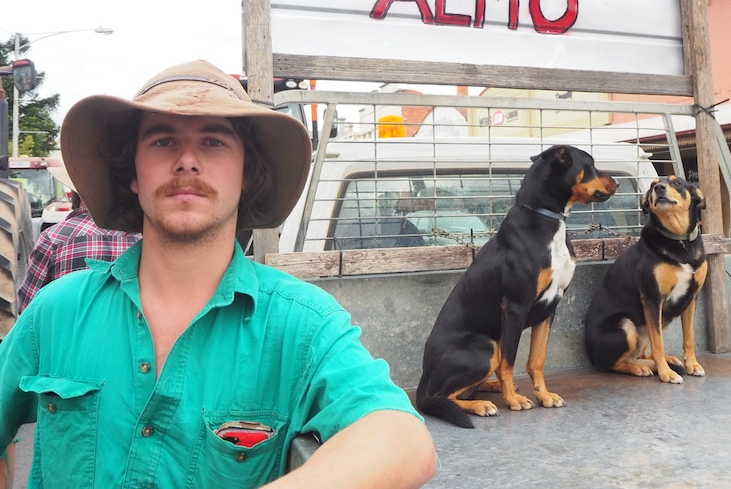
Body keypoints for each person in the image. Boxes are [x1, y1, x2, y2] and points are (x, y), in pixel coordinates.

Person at [0, 60, 438, 488]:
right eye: (162, 141)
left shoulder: (303, 325)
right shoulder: (56, 312)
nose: (187, 160)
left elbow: (402, 439)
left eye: (213, 142)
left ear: (248, 173)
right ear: (131, 172)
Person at [16, 165, 141, 314]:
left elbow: (28, 308)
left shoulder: (53, 238)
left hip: (65, 333)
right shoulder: (141, 238)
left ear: (75, 192)